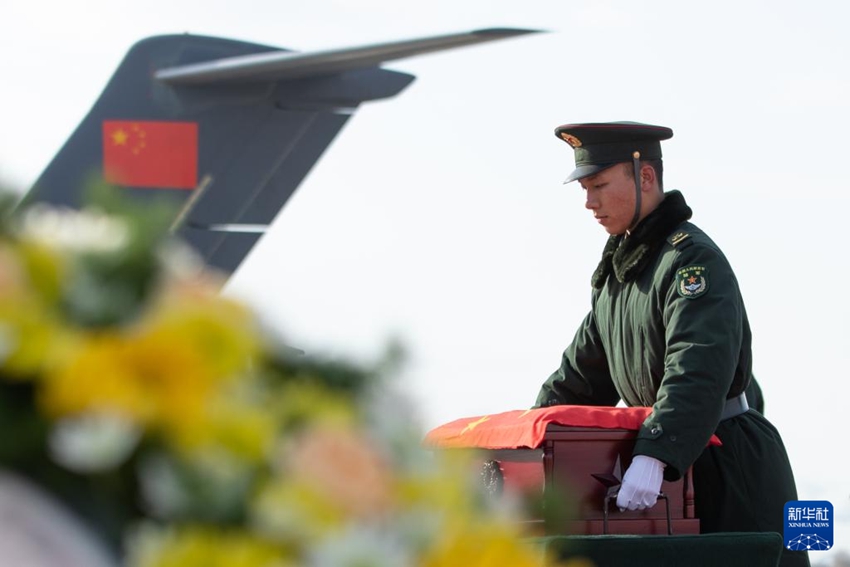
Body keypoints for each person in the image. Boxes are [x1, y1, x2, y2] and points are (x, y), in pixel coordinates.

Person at [533, 122, 807, 567]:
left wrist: (657, 451)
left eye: (599, 185)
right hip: (668, 468)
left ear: (645, 178)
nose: (589, 203)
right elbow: (579, 379)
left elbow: (698, 365)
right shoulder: (619, 276)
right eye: (585, 188)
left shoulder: (690, 261)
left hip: (730, 468)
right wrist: (527, 440)